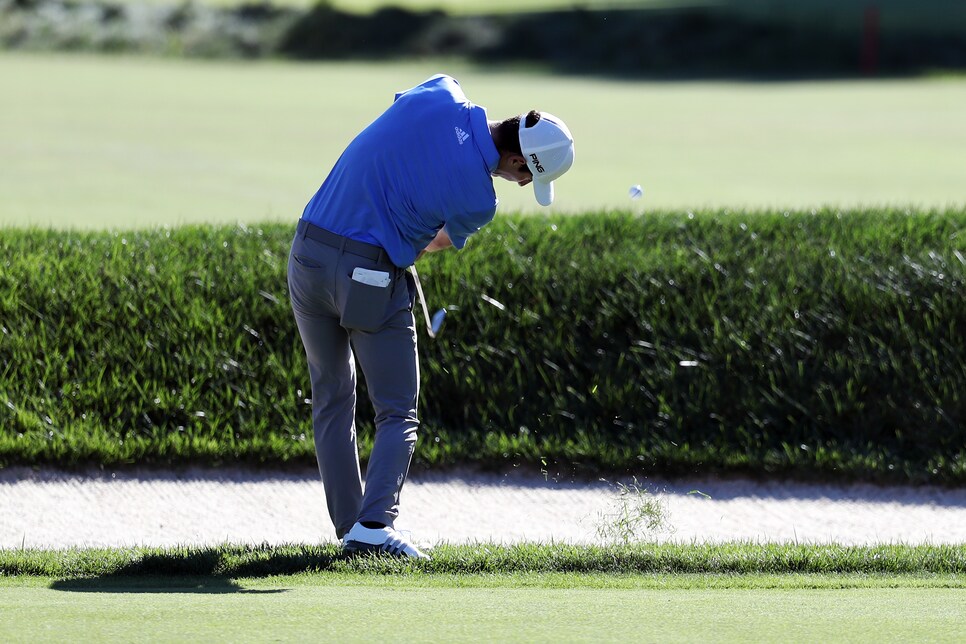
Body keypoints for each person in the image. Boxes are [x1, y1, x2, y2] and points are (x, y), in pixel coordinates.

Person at [287, 73, 574, 559]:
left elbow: (405, 125)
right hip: (367, 276)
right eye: (530, 177)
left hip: (306, 253)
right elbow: (430, 242)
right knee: (398, 410)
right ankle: (374, 528)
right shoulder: (481, 201)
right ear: (518, 160)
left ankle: (350, 530)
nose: (525, 183)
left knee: (332, 396)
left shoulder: (443, 91)